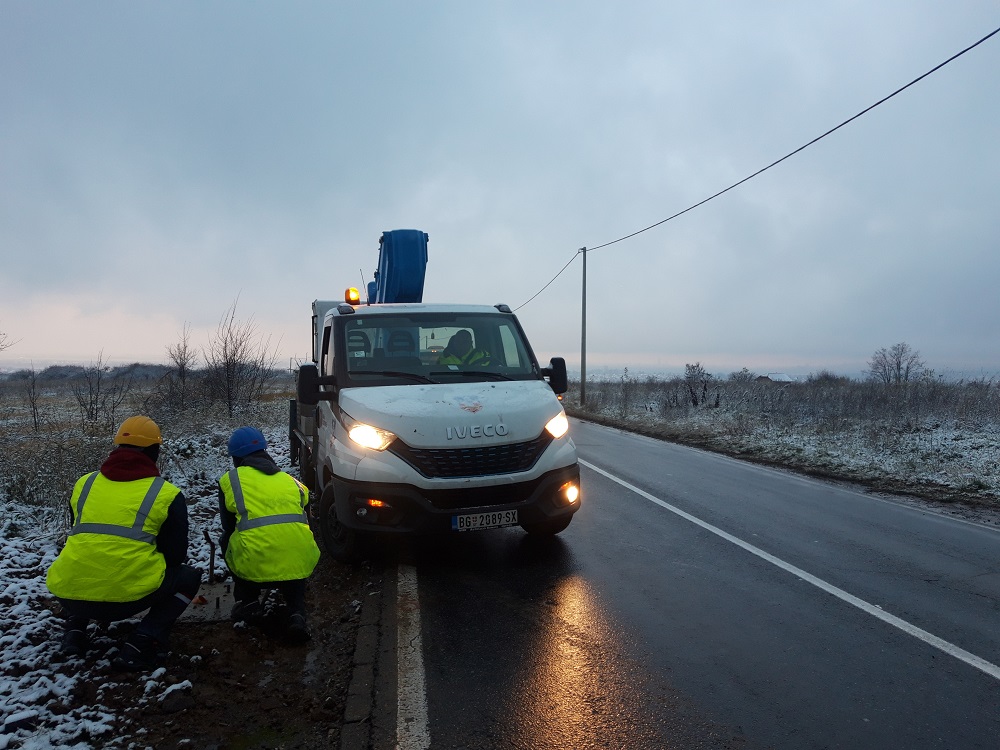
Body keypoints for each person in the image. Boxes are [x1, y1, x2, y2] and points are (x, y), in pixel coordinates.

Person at [46, 415, 201, 671]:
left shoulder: (84, 484)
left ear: (117, 448)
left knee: (87, 558)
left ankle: (74, 631)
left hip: (68, 593)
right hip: (128, 600)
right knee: (188, 578)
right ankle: (143, 641)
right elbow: (175, 556)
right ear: (155, 452)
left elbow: (81, 531)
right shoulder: (165, 493)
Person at [218, 426, 320, 644]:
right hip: (301, 558)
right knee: (293, 543)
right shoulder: (292, 482)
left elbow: (228, 526)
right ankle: (296, 612)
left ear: (236, 457)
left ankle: (248, 600)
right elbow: (308, 523)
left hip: (255, 561)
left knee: (228, 539)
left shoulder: (231, 480)